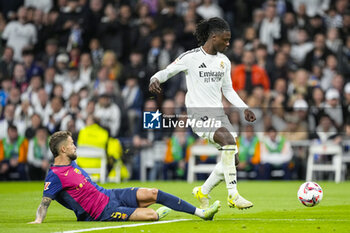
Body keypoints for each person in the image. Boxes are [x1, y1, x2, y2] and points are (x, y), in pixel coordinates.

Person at [149, 17, 256, 210]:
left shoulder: (224, 61)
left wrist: (244, 108)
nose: (228, 43)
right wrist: (155, 78)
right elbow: (168, 71)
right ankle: (233, 195)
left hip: (219, 115)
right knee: (228, 143)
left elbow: (228, 90)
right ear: (213, 37)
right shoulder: (191, 57)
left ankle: (203, 191)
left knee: (233, 158)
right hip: (199, 115)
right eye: (225, 39)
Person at [29, 131, 220, 223]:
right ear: (63, 149)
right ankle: (153, 212)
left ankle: (202, 213)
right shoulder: (54, 176)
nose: (75, 146)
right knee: (152, 216)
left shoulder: (71, 164)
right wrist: (38, 221)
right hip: (102, 212)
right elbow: (45, 202)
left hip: (110, 194)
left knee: (153, 192)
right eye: (72, 144)